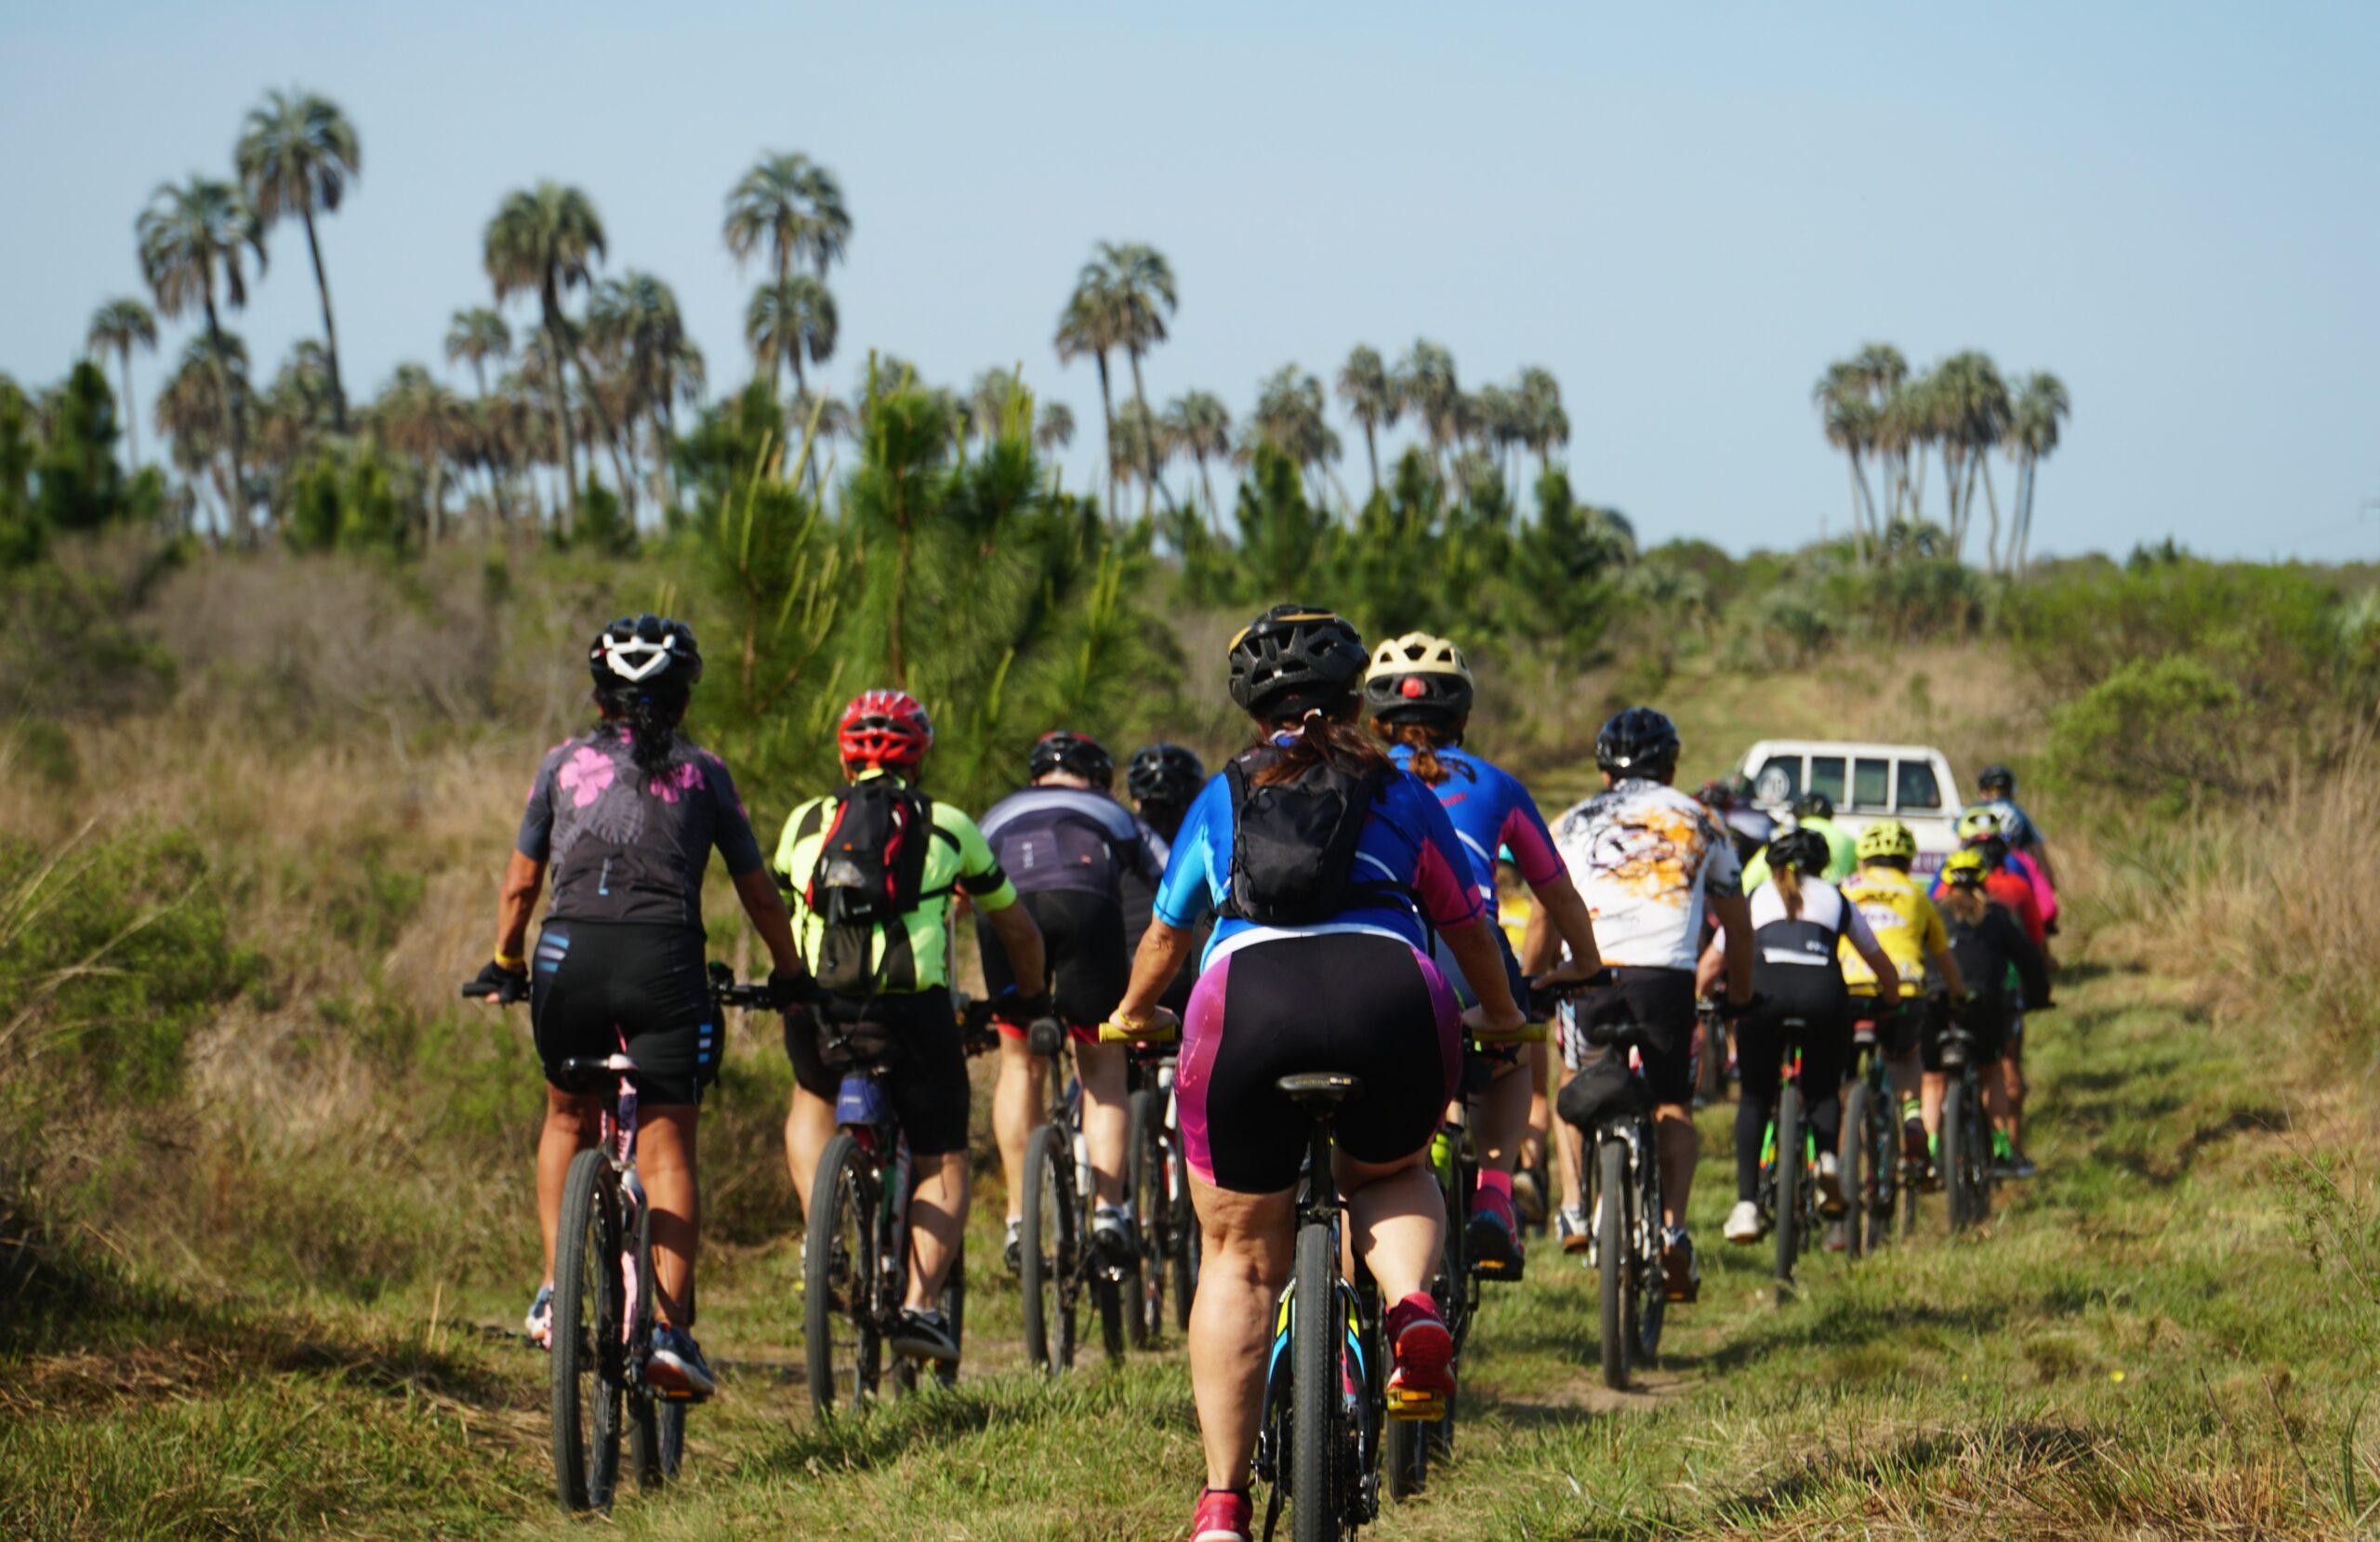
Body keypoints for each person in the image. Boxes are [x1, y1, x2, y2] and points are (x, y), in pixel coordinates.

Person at [1100, 604, 1528, 1542]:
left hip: (1245, 1005)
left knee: (1237, 1255)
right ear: (1355, 701)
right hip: (1391, 996)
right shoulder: (1401, 789)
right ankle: (1410, 1308)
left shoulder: (1223, 793)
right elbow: (1468, 928)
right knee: (1391, 1170)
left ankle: (1221, 1506)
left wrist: (1132, 1013)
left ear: (1252, 710)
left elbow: (1168, 934)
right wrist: (1501, 1017)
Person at [473, 614, 811, 1399]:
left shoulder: (560, 763)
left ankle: (555, 1290)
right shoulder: (706, 772)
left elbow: (520, 885)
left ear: (600, 698)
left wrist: (505, 962)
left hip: (567, 958)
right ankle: (667, 1331)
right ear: (684, 698)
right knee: (665, 1150)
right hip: (665, 962)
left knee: (566, 1115)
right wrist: (791, 972)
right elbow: (760, 895)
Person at [772, 689, 1047, 1364]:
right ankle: (921, 1304)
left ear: (846, 757)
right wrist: (1030, 999)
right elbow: (1015, 927)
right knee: (943, 1154)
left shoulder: (804, 821)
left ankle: (821, 1234)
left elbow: (778, 910)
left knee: (811, 1096)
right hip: (913, 1012)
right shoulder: (949, 825)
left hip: (823, 1009)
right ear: (918, 760)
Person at [1361, 631, 1604, 1280]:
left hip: (1378, 951)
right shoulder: (1498, 785)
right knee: (1510, 1056)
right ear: (1462, 715)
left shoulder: (1356, 775)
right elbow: (1557, 891)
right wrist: (1586, 963)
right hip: (1472, 953)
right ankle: (1496, 1193)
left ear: (1376, 718)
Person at [1549, 706, 1753, 1300]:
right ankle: (1672, 1231)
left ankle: (1573, 1209)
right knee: (1673, 1105)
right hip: (1666, 982)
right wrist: (1740, 997)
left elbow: (1543, 911)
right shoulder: (1703, 821)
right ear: (1670, 769)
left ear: (1604, 771)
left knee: (1572, 1079)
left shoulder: (1572, 820)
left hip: (1591, 976)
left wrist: (1536, 979)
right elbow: (1738, 929)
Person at [976, 731, 1167, 1273]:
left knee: (1019, 1061)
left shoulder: (997, 812)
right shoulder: (1112, 811)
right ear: (1098, 778)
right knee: (1102, 1061)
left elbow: (960, 889)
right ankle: (1109, 1210)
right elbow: (1169, 872)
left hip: (1007, 911)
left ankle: (1019, 1218)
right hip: (1085, 904)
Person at [1700, 826, 1899, 1245]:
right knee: (1823, 1089)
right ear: (1822, 866)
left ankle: (1747, 1205)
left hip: (1765, 995)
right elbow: (1880, 963)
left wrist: (1698, 1002)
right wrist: (1891, 1000)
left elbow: (1712, 964)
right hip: (1822, 995)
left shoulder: (1755, 897)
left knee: (1755, 1096)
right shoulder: (1837, 899)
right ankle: (1827, 1160)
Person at [1837, 817, 1966, 1185]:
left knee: (1841, 1072)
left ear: (1862, 859)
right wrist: (1959, 995)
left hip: (1849, 989)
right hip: (1905, 990)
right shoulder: (1917, 894)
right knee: (1906, 1057)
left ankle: (1840, 1149)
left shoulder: (1845, 888)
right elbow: (1943, 958)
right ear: (1909, 862)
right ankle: (1911, 1116)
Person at [1924, 850, 2054, 1178]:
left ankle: (1929, 1152)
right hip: (1984, 1005)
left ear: (1946, 883)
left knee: (1933, 1079)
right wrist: (2039, 995)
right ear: (1984, 881)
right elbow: (2029, 960)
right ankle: (2001, 1150)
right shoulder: (1997, 916)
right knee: (1991, 1072)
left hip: (1936, 1002)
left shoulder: (1933, 914)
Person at [1121, 743, 1209, 1020]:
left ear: (1136, 798)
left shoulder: (1118, 838)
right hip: (1190, 979)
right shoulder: (1203, 838)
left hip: (1122, 978)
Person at [1970, 763, 2060, 891]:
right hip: (2010, 873)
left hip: (1972, 871)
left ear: (1982, 792)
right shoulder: (2018, 813)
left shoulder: (1970, 812)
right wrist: (2048, 885)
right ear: (2011, 791)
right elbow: (2038, 852)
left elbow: (1956, 845)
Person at [1742, 792, 1857, 886]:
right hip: (1833, 900)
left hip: (1786, 898)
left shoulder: (1784, 836)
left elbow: (1749, 879)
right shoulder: (1848, 840)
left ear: (1796, 816)